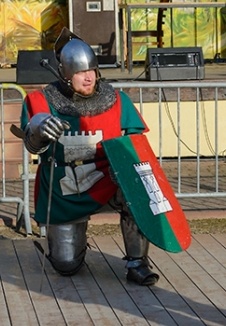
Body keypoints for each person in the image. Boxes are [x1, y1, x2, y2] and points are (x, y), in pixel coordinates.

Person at [19, 35, 160, 286]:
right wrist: (39, 127)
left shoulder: (116, 100)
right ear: (65, 74)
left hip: (106, 180)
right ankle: (75, 246)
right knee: (66, 266)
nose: (89, 78)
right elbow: (33, 145)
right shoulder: (40, 101)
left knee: (136, 190)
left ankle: (137, 263)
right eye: (80, 72)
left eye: (92, 70)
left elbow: (136, 148)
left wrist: (128, 173)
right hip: (64, 188)